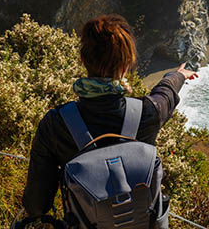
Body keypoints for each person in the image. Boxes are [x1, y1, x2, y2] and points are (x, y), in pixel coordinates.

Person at [22, 14, 198, 219]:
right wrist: (177, 75)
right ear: (126, 64)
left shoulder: (55, 124)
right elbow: (165, 93)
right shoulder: (148, 113)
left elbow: (36, 205)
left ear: (83, 59)